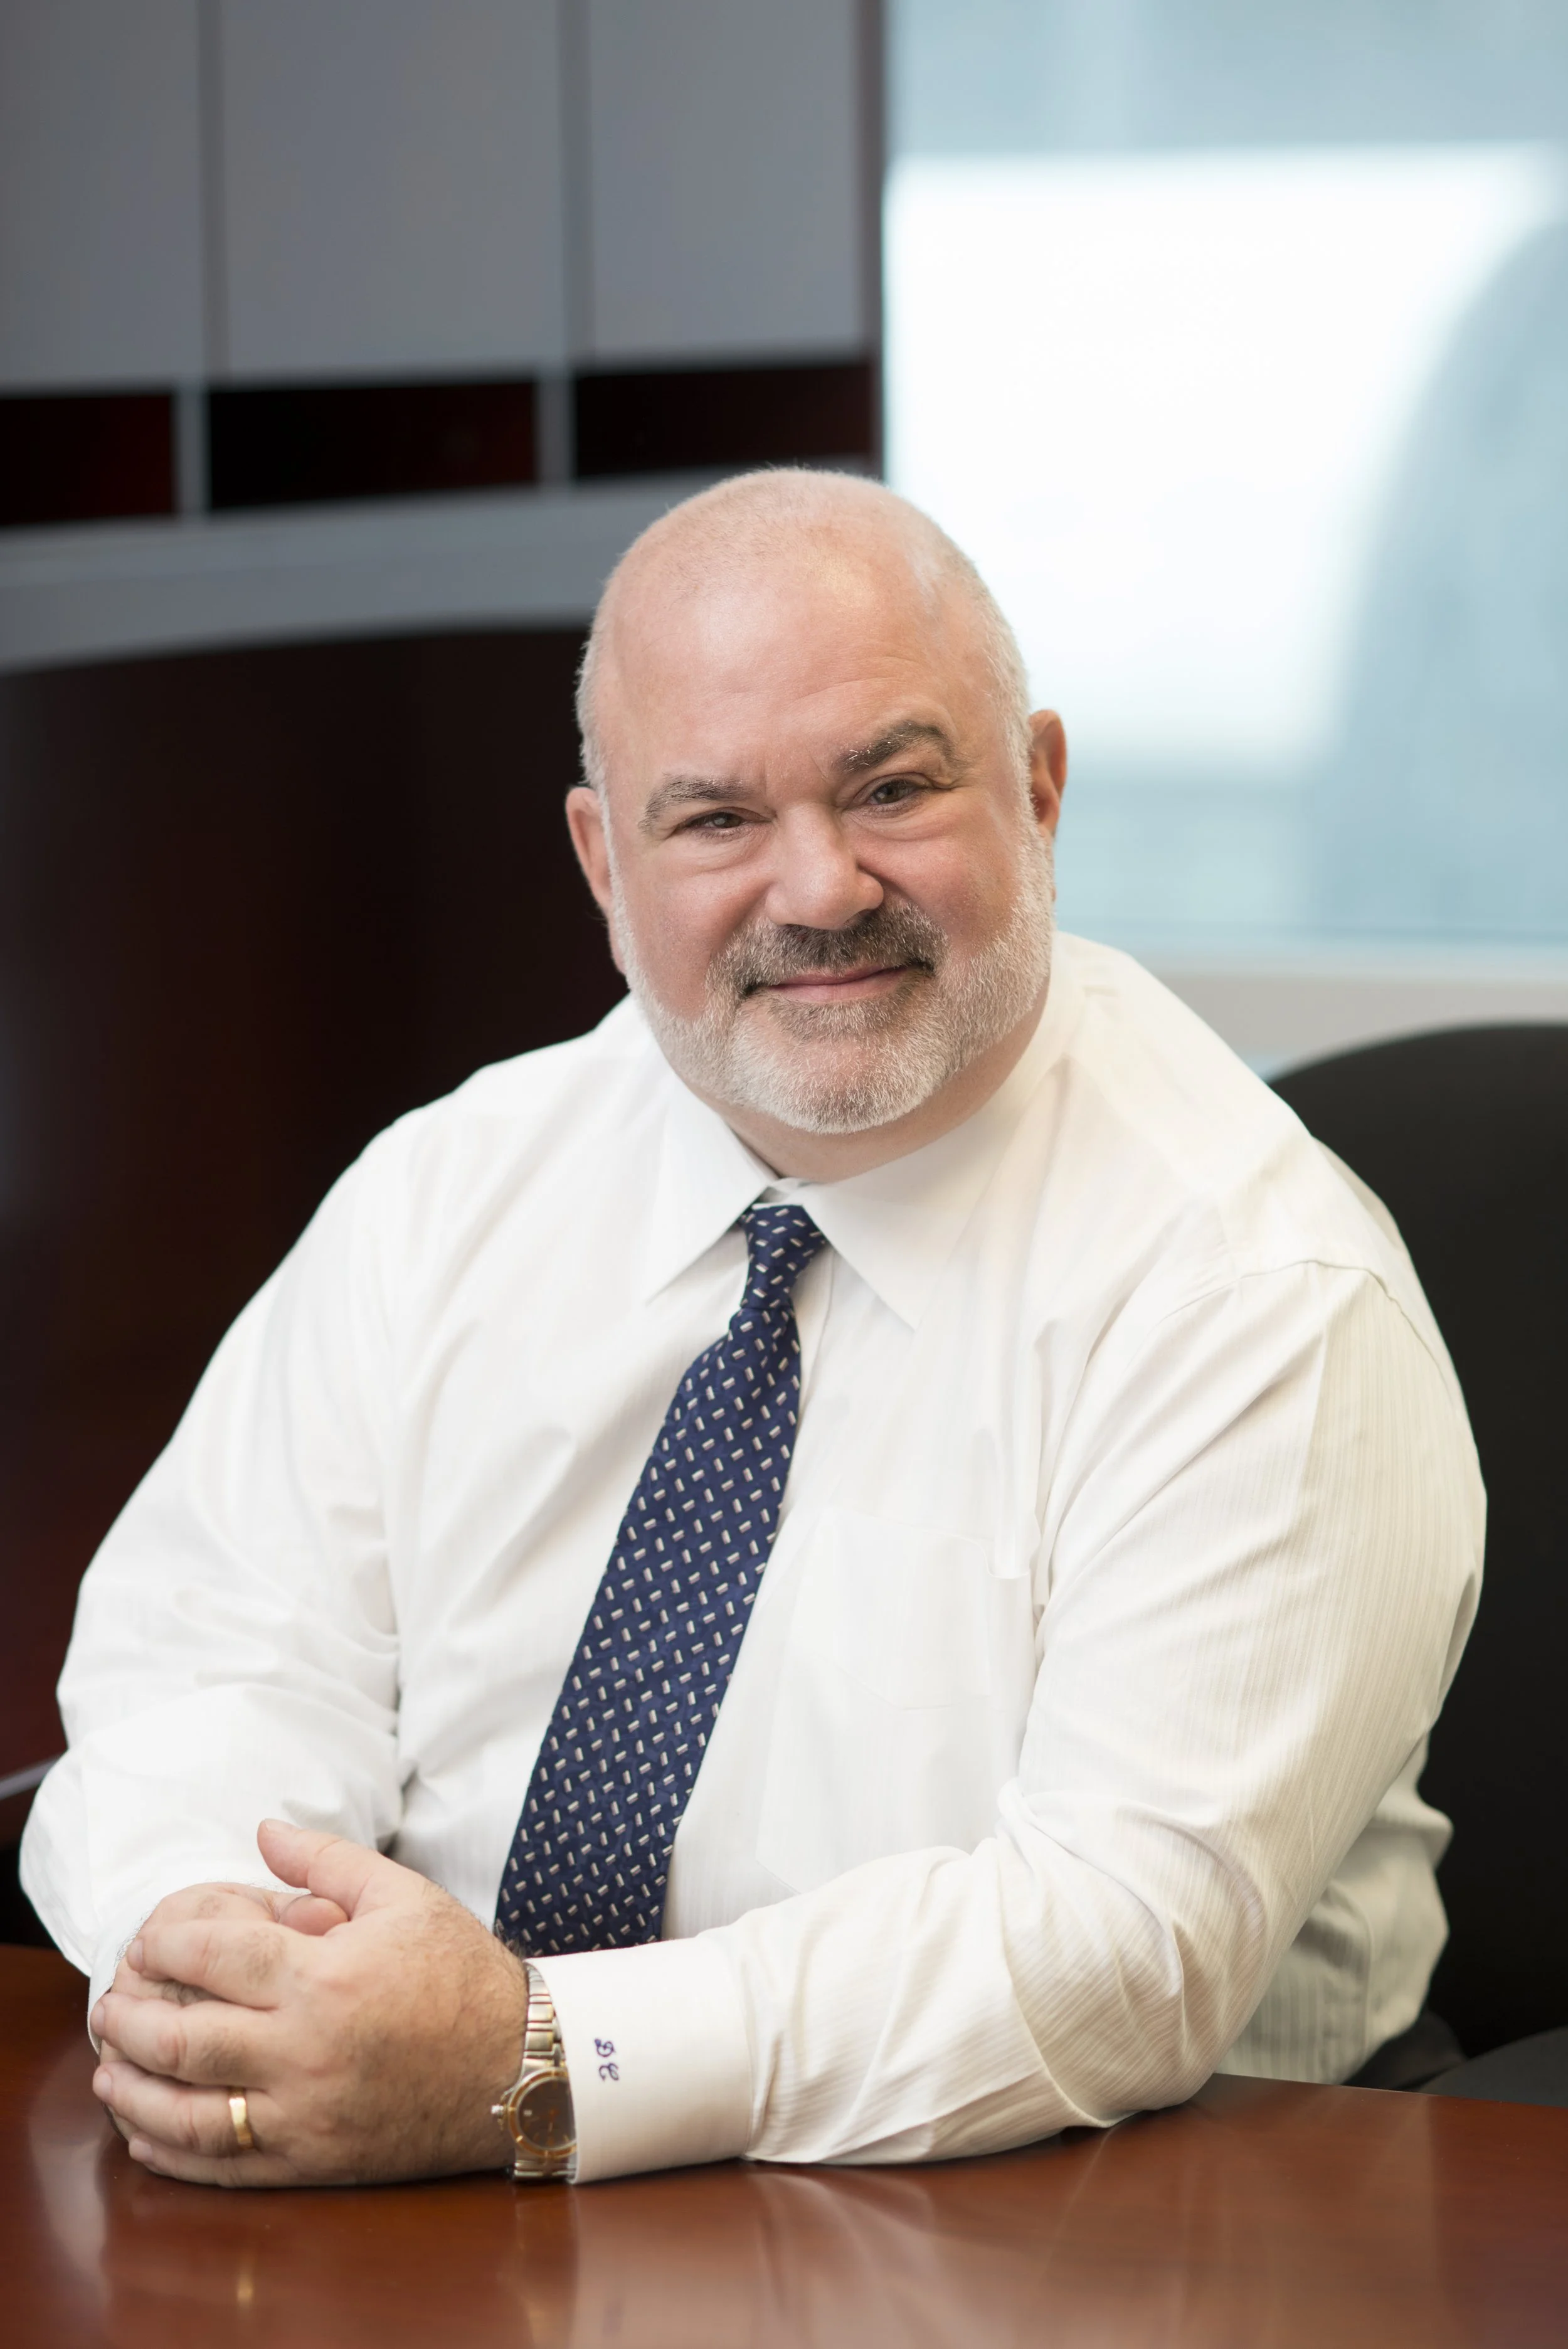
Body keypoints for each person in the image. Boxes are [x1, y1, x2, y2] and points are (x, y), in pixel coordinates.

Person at [21, 470, 1482, 2189]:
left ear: (1037, 787)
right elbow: (206, 1660)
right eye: (713, 820)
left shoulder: (1254, 1291)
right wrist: (243, 1977)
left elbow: (1116, 1945)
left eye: (893, 787)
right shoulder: (454, 1187)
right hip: (415, 2176)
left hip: (1114, 2200)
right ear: (603, 861)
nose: (817, 886)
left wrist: (533, 2059)